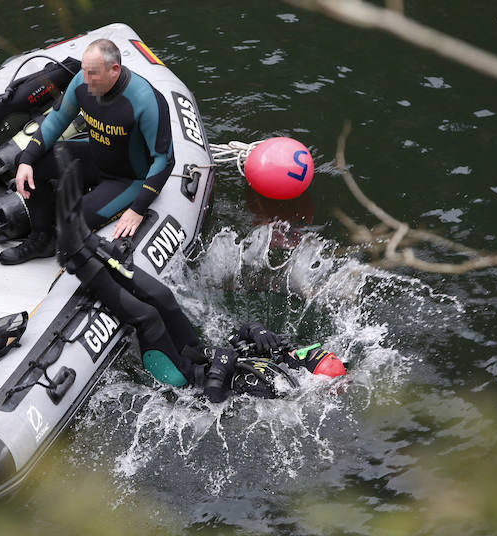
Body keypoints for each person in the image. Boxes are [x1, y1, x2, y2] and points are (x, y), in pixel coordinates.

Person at [53, 149, 347, 401]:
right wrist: (255, 330)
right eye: (313, 352)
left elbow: (214, 403)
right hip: (197, 359)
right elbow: (239, 338)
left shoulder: (280, 390)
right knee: (163, 298)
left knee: (148, 317)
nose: (305, 352)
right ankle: (91, 245)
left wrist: (220, 366)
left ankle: (79, 260)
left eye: (311, 357)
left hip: (180, 381)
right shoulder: (289, 357)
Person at [0, 38, 175, 265]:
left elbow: (165, 159)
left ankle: (59, 234)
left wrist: (138, 208)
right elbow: (57, 119)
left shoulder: (145, 100)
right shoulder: (81, 83)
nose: (86, 79)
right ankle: (41, 239)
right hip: (95, 158)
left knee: (70, 223)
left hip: (128, 179)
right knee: (31, 161)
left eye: (93, 73)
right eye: (84, 71)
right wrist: (26, 159)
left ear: (115, 70)